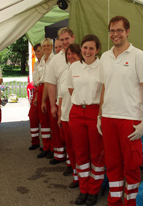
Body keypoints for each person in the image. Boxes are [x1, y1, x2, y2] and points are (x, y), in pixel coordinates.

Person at [97, 16, 143, 206]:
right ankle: (114, 201)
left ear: (127, 31)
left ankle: (131, 202)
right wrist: (99, 115)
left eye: (119, 30)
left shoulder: (138, 56)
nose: (115, 34)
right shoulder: (104, 57)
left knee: (131, 166)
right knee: (112, 164)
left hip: (129, 120)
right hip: (108, 118)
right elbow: (105, 87)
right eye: (112, 30)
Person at [67, 34, 105, 206]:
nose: (87, 51)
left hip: (94, 112)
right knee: (80, 153)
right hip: (76, 112)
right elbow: (70, 89)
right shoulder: (74, 67)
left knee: (96, 154)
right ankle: (83, 189)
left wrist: (99, 114)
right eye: (85, 48)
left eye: (91, 48)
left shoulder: (102, 67)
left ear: (97, 50)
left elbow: (106, 91)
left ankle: (94, 190)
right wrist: (80, 102)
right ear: (80, 49)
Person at [45, 27, 75, 165]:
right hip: (61, 102)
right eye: (62, 39)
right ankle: (61, 156)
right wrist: (52, 105)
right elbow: (51, 84)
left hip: (78, 103)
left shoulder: (82, 55)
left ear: (73, 38)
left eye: (67, 38)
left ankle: (73, 163)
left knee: (75, 136)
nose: (64, 42)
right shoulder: (55, 60)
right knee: (62, 133)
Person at [57, 43, 81, 189]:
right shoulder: (65, 72)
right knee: (70, 148)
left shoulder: (84, 71)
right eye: (68, 54)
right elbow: (61, 95)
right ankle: (76, 175)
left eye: (74, 54)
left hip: (78, 116)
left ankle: (85, 176)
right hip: (66, 115)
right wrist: (60, 114)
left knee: (81, 149)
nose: (71, 57)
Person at [33, 38, 54, 158]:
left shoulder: (54, 59)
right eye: (44, 46)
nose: (46, 47)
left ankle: (53, 147)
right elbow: (38, 79)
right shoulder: (41, 61)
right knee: (43, 120)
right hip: (40, 89)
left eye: (48, 45)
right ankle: (46, 146)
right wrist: (36, 95)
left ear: (51, 46)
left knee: (51, 120)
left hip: (50, 88)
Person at [27, 43, 43, 150]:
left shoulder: (47, 63)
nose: (37, 53)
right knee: (32, 117)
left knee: (44, 119)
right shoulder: (36, 64)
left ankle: (48, 145)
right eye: (35, 51)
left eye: (38, 51)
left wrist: (37, 95)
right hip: (36, 89)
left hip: (42, 90)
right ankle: (35, 141)